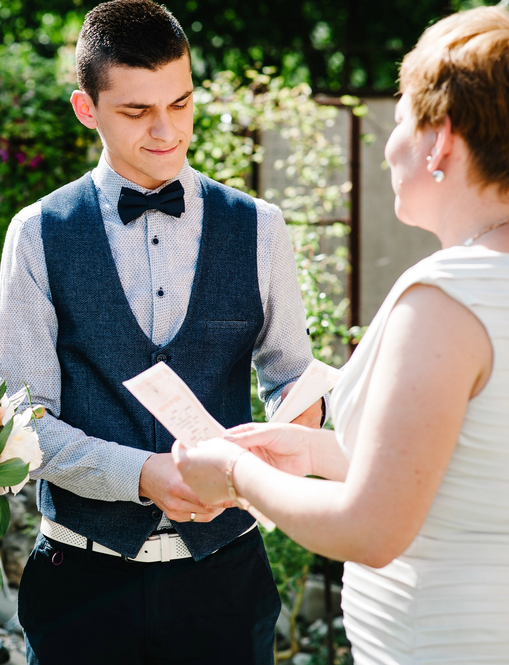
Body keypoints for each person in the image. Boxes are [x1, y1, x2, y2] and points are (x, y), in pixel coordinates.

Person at [0, 1, 324, 662]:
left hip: (226, 581)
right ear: (87, 108)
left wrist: (277, 440)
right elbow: (21, 419)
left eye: (181, 103)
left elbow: (295, 379)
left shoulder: (260, 226)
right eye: (137, 112)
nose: (167, 131)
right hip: (81, 585)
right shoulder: (38, 232)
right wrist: (142, 474)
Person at [175, 6, 509, 663]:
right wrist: (320, 453)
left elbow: (371, 527)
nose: (390, 144)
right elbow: (472, 470)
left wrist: (236, 473)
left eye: (402, 116)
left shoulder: (446, 296)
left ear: (439, 138)